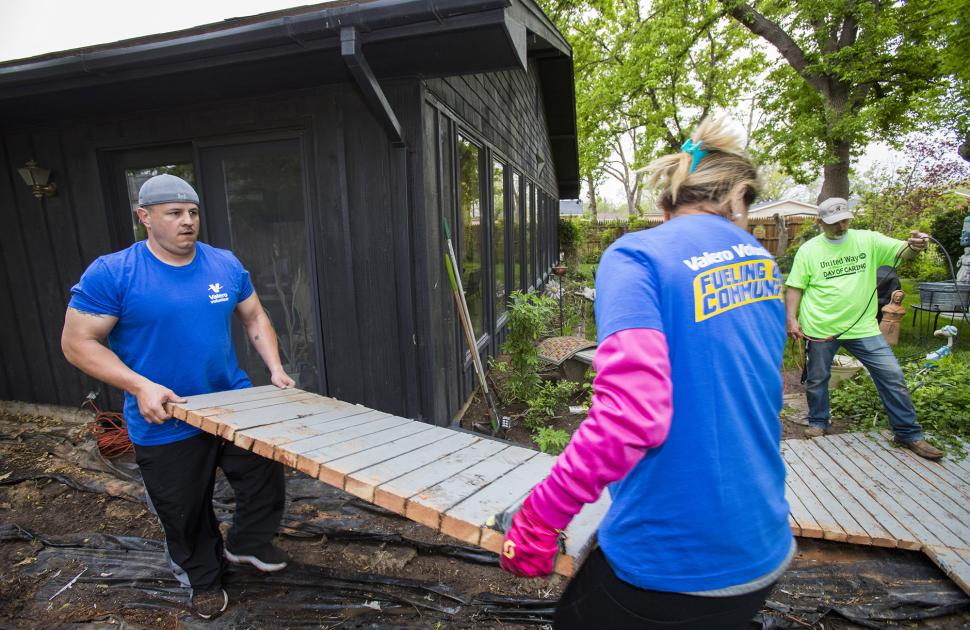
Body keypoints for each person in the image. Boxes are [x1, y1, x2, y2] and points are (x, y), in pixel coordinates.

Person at [500, 117, 794, 629]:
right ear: (739, 200)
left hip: (674, 562)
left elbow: (633, 414)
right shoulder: (762, 263)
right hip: (763, 540)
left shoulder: (639, 255)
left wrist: (540, 516)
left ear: (665, 206)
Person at [61, 174, 296, 619]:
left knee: (265, 469)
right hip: (165, 415)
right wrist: (139, 385)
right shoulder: (114, 273)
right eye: (174, 213)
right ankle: (204, 579)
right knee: (184, 510)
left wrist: (276, 369)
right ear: (144, 218)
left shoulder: (224, 264)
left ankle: (247, 543)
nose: (187, 222)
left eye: (192, 212)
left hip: (233, 403)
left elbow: (254, 318)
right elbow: (78, 344)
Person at [785, 197, 943, 460]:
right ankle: (818, 421)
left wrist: (915, 246)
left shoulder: (867, 239)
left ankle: (908, 433)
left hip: (863, 327)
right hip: (820, 326)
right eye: (834, 223)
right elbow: (796, 286)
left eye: (845, 220)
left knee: (892, 375)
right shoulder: (809, 250)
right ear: (819, 222)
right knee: (817, 379)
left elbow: (903, 252)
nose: (841, 226)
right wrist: (791, 318)